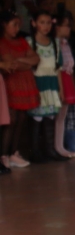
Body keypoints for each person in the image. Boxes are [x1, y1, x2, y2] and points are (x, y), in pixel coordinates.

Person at [0, 12, 39, 170]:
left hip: (24, 84)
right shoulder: (2, 43)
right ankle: (3, 155)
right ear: (4, 24)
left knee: (22, 117)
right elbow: (10, 65)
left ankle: (13, 153)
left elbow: (35, 59)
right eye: (14, 24)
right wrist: (25, 62)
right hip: (11, 84)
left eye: (18, 24)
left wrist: (22, 61)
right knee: (11, 119)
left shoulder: (22, 41)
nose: (17, 28)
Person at [26, 11, 65, 163]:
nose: (46, 26)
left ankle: (49, 149)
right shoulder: (29, 42)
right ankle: (35, 152)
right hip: (37, 84)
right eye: (42, 22)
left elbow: (58, 69)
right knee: (36, 117)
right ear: (34, 23)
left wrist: (60, 89)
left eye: (48, 22)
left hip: (52, 84)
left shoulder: (55, 43)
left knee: (50, 116)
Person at [54, 13, 75, 158]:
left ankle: (60, 146)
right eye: (67, 25)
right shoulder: (54, 43)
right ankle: (56, 147)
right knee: (56, 115)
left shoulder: (65, 43)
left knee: (62, 115)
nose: (70, 29)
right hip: (59, 79)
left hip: (67, 78)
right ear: (57, 27)